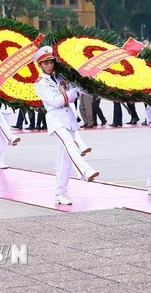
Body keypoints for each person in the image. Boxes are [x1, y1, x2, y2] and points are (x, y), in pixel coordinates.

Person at [33, 46, 98, 205]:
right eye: (46, 63)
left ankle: (59, 193)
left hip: (68, 118)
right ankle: (85, 170)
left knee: (65, 160)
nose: (50, 65)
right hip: (56, 120)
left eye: (51, 62)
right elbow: (55, 101)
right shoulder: (40, 82)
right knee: (70, 145)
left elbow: (76, 91)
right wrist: (73, 92)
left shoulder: (61, 77)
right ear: (40, 65)